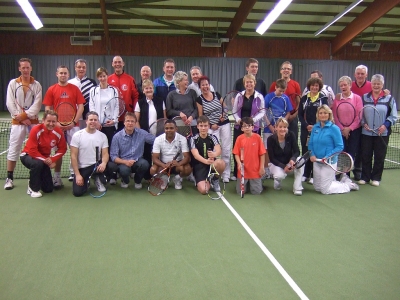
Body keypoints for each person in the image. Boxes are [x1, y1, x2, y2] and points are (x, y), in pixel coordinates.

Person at [43, 65, 85, 188]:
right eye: (61, 73)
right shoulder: (51, 89)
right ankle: (57, 177)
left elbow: (81, 106)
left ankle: (75, 173)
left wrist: (73, 122)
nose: (63, 75)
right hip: (56, 127)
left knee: (76, 151)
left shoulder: (75, 89)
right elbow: (47, 108)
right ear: (57, 74)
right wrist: (54, 123)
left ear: (68, 74)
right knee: (57, 153)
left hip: (74, 126)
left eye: (65, 73)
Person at [4, 57, 42, 190]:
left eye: (27, 67)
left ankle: (36, 177)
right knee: (14, 148)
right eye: (23, 67)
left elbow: (37, 106)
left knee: (37, 149)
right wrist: (20, 118)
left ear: (31, 68)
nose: (25, 70)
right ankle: (9, 178)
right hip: (17, 123)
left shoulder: (37, 85)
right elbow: (10, 103)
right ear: (19, 68)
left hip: (33, 122)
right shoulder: (13, 83)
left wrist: (26, 116)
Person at [308, 105, 359, 194]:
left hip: (329, 162)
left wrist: (327, 157)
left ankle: (347, 185)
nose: (323, 115)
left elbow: (339, 146)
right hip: (317, 161)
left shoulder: (334, 128)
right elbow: (310, 143)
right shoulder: (315, 127)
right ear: (318, 115)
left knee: (325, 190)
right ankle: (338, 180)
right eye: (320, 113)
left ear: (329, 115)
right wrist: (312, 155)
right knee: (317, 188)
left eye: (325, 113)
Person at [359, 74, 397, 187]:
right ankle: (364, 177)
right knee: (365, 155)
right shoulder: (365, 97)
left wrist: (385, 125)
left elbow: (393, 116)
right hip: (366, 133)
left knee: (380, 156)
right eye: (374, 83)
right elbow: (360, 114)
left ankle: (376, 178)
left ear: (382, 85)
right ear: (371, 84)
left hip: (382, 133)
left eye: (378, 84)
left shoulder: (389, 98)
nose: (376, 86)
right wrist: (363, 123)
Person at [20, 110, 67, 198]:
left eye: (53, 121)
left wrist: (52, 159)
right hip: (27, 155)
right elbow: (32, 151)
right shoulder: (36, 130)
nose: (51, 123)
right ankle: (33, 188)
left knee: (48, 189)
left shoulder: (58, 132)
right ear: (43, 120)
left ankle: (34, 178)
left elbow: (63, 149)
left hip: (44, 159)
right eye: (48, 121)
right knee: (37, 164)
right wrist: (48, 161)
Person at [196, 75, 231, 183]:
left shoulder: (217, 94)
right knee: (214, 151)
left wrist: (223, 114)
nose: (205, 86)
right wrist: (211, 125)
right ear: (200, 87)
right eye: (203, 85)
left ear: (209, 85)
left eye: (206, 84)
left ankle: (226, 174)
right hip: (211, 127)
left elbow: (225, 107)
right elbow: (201, 117)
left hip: (224, 124)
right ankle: (215, 174)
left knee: (226, 149)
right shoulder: (199, 100)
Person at [108, 112, 155, 189]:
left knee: (144, 164)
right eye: (128, 121)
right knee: (124, 171)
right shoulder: (117, 137)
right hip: (123, 162)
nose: (130, 123)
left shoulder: (142, 133)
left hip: (137, 160)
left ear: (135, 123)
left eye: (132, 121)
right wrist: (125, 162)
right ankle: (125, 180)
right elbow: (113, 156)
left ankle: (138, 181)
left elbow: (155, 140)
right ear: (124, 123)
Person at [231, 74, 265, 180]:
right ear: (244, 84)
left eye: (251, 82)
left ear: (254, 83)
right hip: (239, 127)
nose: (249, 84)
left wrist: (252, 121)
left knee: (253, 152)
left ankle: (254, 173)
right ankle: (237, 173)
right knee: (237, 150)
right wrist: (238, 120)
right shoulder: (239, 96)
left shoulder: (259, 97)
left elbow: (262, 111)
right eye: (247, 82)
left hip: (253, 128)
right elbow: (234, 111)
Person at [70, 111, 109, 197]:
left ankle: (97, 177)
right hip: (82, 168)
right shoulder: (77, 135)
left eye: (95, 120)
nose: (93, 122)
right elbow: (73, 156)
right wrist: (77, 175)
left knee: (111, 166)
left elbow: (105, 153)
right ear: (86, 121)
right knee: (78, 193)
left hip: (96, 166)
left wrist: (104, 163)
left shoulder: (102, 136)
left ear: (98, 121)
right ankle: (86, 178)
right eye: (91, 119)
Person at [298, 77, 328, 183]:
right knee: (306, 151)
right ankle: (306, 174)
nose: (314, 87)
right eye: (312, 85)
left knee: (316, 151)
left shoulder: (323, 98)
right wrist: (306, 125)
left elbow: (325, 114)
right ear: (309, 86)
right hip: (305, 129)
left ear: (319, 87)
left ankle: (314, 176)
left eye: (316, 85)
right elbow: (300, 115)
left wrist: (315, 126)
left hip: (319, 129)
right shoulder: (304, 98)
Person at [331, 76, 363, 178]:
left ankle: (348, 174)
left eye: (345, 85)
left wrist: (349, 128)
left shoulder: (357, 98)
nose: (343, 87)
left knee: (352, 152)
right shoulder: (337, 99)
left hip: (354, 130)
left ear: (350, 85)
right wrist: (342, 129)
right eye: (341, 85)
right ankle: (341, 174)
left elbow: (359, 115)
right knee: (341, 152)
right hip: (340, 130)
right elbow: (335, 115)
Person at [263, 78, 292, 179]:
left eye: (283, 91)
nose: (281, 93)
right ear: (275, 87)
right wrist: (270, 126)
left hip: (280, 128)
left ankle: (277, 168)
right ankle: (266, 169)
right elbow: (264, 112)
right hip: (268, 129)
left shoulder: (285, 98)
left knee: (278, 148)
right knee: (266, 149)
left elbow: (288, 113)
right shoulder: (268, 97)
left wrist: (282, 125)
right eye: (280, 90)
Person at [151, 119, 192, 189]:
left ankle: (177, 178)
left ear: (176, 129)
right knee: (153, 169)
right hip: (164, 165)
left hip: (177, 165)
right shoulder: (158, 139)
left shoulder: (182, 139)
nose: (169, 130)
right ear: (164, 129)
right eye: (166, 128)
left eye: (171, 128)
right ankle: (164, 178)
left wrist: (178, 164)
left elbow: (187, 157)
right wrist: (163, 165)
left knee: (187, 169)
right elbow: (154, 158)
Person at [135, 79, 166, 169]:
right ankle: (148, 176)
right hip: (145, 134)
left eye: (150, 88)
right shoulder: (140, 103)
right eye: (146, 88)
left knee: (159, 155)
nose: (149, 90)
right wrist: (141, 133)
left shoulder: (160, 101)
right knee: (147, 155)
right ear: (143, 90)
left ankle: (160, 175)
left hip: (159, 133)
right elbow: (136, 120)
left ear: (153, 89)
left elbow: (164, 118)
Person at [267, 118, 303, 195]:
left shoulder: (291, 135)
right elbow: (272, 158)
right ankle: (277, 181)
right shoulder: (270, 139)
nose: (282, 129)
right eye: (280, 127)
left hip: (289, 163)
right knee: (279, 176)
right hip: (276, 164)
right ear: (276, 127)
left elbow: (297, 151)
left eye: (284, 127)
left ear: (287, 128)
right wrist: (284, 167)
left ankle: (297, 187)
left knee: (301, 160)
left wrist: (292, 159)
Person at [190, 116, 226, 195]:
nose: (203, 128)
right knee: (204, 190)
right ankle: (202, 180)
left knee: (221, 163)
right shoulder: (193, 139)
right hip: (199, 167)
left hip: (211, 164)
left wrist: (214, 154)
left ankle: (214, 179)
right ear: (197, 126)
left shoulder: (212, 137)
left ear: (209, 126)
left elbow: (219, 150)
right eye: (201, 126)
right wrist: (206, 161)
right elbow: (196, 155)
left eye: (205, 126)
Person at [89, 67, 120, 151]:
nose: (102, 78)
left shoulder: (113, 90)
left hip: (110, 125)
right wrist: (96, 121)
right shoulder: (93, 90)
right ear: (98, 78)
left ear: (107, 76)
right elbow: (92, 106)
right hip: (98, 125)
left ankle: (109, 163)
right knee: (97, 147)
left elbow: (117, 106)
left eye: (104, 76)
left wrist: (114, 120)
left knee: (109, 147)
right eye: (100, 76)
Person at [232, 117, 266, 195]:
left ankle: (260, 181)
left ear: (253, 127)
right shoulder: (239, 139)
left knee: (256, 192)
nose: (247, 127)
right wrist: (239, 163)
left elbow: (262, 153)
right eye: (244, 126)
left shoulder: (257, 137)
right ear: (242, 128)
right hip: (243, 172)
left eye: (249, 125)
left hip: (255, 172)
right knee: (239, 192)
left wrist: (261, 167)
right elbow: (236, 153)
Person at [269, 61, 301, 142]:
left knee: (292, 140)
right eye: (284, 68)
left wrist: (293, 116)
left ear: (291, 71)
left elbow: (299, 102)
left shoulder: (295, 84)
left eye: (288, 69)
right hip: (277, 118)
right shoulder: (274, 85)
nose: (286, 70)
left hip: (292, 118)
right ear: (280, 71)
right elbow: (270, 102)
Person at [107, 55, 139, 131]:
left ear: (123, 64)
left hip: (127, 116)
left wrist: (134, 111)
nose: (117, 64)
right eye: (115, 62)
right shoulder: (108, 79)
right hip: (112, 117)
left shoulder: (130, 79)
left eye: (119, 62)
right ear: (112, 64)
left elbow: (135, 97)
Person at [68, 58, 96, 128]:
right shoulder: (69, 83)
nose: (81, 69)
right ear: (75, 68)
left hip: (87, 115)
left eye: (83, 67)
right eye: (79, 67)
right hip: (73, 115)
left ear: (86, 69)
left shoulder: (92, 83)